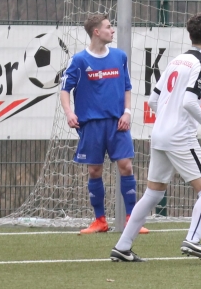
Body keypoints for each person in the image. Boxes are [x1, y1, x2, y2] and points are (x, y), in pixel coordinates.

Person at [111, 12, 201, 263]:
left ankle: (122, 247)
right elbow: (189, 102)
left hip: (160, 134)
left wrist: (167, 118)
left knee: (153, 194)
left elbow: (153, 100)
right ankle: (193, 241)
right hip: (180, 137)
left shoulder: (176, 60)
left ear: (190, 35)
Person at [60, 13, 144, 235]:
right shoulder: (79, 60)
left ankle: (132, 220)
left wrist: (127, 113)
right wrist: (69, 113)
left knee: (126, 166)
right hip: (91, 125)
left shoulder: (119, 57)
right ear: (96, 32)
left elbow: (127, 87)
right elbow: (64, 90)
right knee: (95, 170)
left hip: (118, 123)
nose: (112, 30)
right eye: (108, 27)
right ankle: (100, 221)